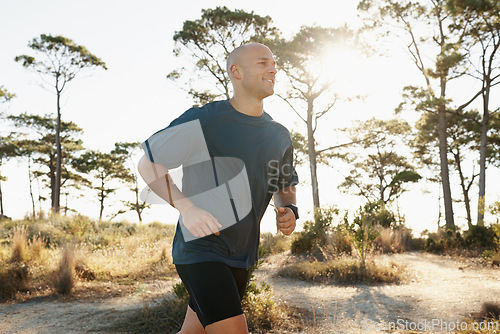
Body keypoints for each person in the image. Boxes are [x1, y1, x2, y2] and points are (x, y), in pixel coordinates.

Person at [138, 43, 299, 334]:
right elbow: (149, 164)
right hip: (201, 249)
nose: (273, 68)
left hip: (242, 254)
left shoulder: (279, 135)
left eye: (274, 63)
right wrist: (187, 208)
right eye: (263, 63)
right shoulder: (206, 120)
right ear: (236, 72)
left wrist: (288, 208)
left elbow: (284, 184)